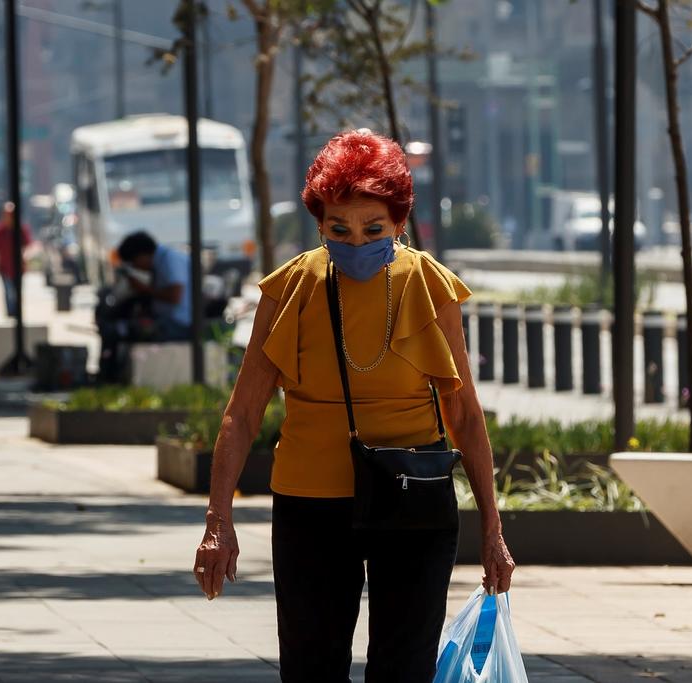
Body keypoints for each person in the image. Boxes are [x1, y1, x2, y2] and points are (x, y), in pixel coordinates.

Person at [192, 130, 515, 682]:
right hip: (311, 505)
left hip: (413, 499)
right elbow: (242, 413)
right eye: (339, 229)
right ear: (319, 223)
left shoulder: (428, 284)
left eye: (374, 229)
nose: (357, 243)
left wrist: (492, 529)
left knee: (404, 669)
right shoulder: (290, 288)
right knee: (311, 668)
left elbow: (462, 413)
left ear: (399, 223)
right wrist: (217, 521)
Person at [116, 231, 192, 342]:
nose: (136, 267)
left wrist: (144, 289)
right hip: (168, 321)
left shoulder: (169, 259)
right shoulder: (160, 261)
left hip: (179, 324)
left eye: (134, 263)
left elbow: (175, 295)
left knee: (128, 334)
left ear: (141, 255)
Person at [0, 202, 31, 317]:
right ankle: (10, 313)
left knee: (17, 291)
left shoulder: (21, 229)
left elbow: (27, 246)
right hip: (4, 267)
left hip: (18, 268)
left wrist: (25, 257)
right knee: (8, 291)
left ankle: (17, 311)